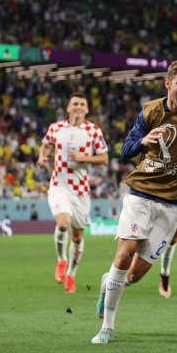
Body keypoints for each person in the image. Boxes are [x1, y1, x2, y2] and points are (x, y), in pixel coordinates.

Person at [91, 60, 177, 344]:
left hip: (174, 205)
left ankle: (110, 281)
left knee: (136, 274)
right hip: (141, 193)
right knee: (124, 253)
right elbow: (125, 149)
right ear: (168, 84)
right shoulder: (151, 111)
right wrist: (144, 141)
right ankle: (107, 327)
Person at [36, 92, 109, 293]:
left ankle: (71, 274)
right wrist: (42, 158)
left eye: (81, 104)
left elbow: (104, 159)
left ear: (86, 109)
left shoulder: (93, 131)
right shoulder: (56, 128)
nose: (78, 107)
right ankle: (61, 261)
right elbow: (45, 146)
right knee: (63, 222)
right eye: (74, 103)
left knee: (77, 238)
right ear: (68, 108)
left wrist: (85, 157)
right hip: (59, 187)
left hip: (81, 191)